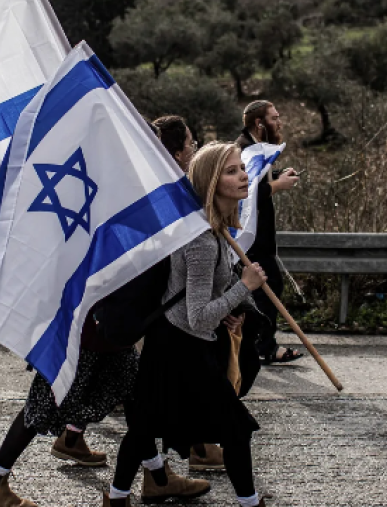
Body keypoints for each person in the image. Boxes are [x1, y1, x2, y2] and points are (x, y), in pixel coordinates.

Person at [0, 120, 207, 507]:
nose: (192, 151)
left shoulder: (144, 192)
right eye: (190, 144)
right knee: (46, 401)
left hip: (111, 324)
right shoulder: (130, 193)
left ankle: (158, 477)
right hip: (90, 323)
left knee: (133, 397)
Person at [103, 142, 270, 507]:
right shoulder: (201, 240)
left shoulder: (215, 231)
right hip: (179, 346)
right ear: (211, 181)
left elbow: (204, 301)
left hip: (179, 342)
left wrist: (234, 303)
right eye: (231, 170)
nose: (243, 175)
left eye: (241, 168)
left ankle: (116, 499)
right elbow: (197, 316)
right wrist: (245, 286)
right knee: (235, 429)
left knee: (146, 425)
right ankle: (250, 502)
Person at [152, 115, 230, 472]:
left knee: (149, 410)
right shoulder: (167, 194)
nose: (193, 148)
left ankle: (176, 462)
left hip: (174, 319)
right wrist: (244, 288)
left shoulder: (184, 199)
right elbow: (196, 308)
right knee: (143, 411)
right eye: (190, 143)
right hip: (164, 318)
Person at [235, 100, 303, 367]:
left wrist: (276, 175)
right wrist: (277, 185)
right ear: (259, 123)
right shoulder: (244, 149)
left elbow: (257, 181)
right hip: (252, 237)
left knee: (268, 287)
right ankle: (263, 347)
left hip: (260, 237)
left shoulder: (254, 147)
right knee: (268, 286)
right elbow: (248, 193)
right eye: (274, 118)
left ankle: (259, 344)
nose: (280, 122)